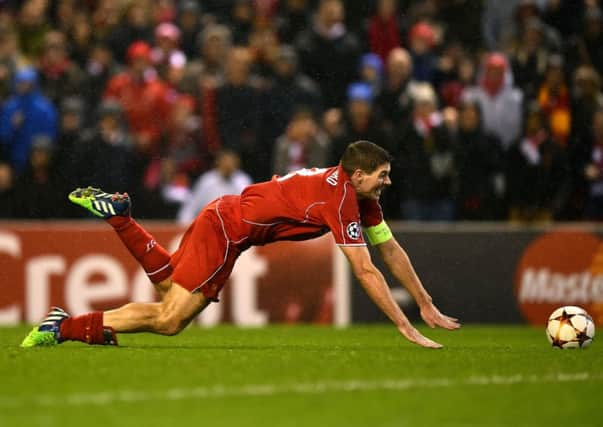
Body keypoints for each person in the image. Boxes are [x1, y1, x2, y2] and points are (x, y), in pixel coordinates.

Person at [21, 141, 460, 349]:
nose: (388, 182)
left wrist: (424, 303)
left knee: (169, 287)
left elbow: (390, 250)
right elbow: (364, 269)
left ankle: (121, 220)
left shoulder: (357, 197)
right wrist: (403, 326)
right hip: (229, 229)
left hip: (223, 215)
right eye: (382, 175)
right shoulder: (343, 199)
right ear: (360, 175)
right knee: (171, 319)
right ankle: (63, 326)